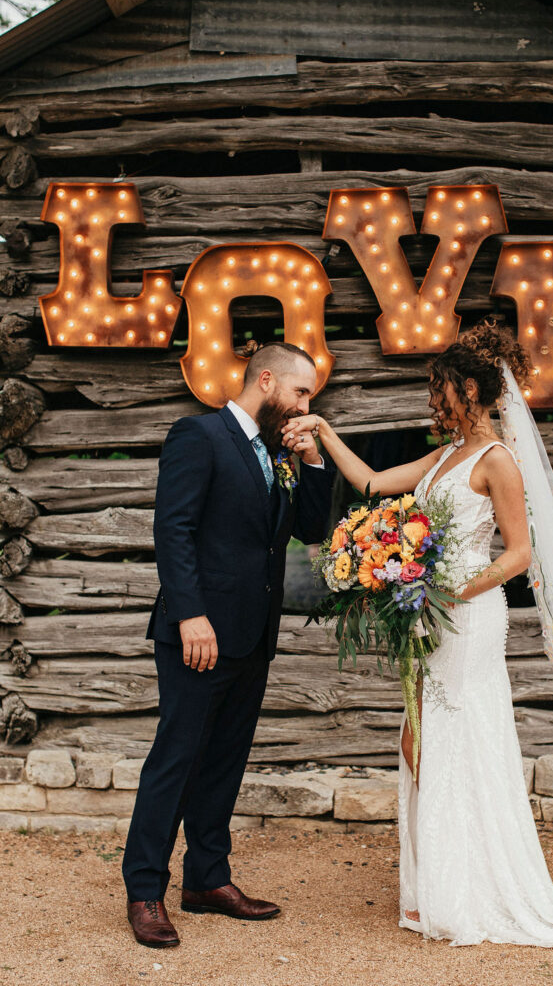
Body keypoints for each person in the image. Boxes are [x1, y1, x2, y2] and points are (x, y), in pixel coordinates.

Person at [283, 317, 553, 949]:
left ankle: (471, 891)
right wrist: (322, 428)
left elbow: (519, 554)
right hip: (430, 617)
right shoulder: (447, 455)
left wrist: (452, 589)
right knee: (418, 739)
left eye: (442, 387)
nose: (434, 398)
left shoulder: (497, 459)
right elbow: (372, 484)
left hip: (469, 617)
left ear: (471, 392)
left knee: (457, 736)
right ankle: (439, 889)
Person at [122, 342, 335, 948]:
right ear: (266, 380)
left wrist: (313, 456)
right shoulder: (199, 436)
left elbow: (312, 530)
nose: (305, 406)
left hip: (252, 634)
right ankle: (144, 890)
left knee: (223, 761)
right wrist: (190, 615)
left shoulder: (276, 452)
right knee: (177, 759)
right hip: (199, 634)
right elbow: (175, 528)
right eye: (299, 393)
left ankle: (207, 879)